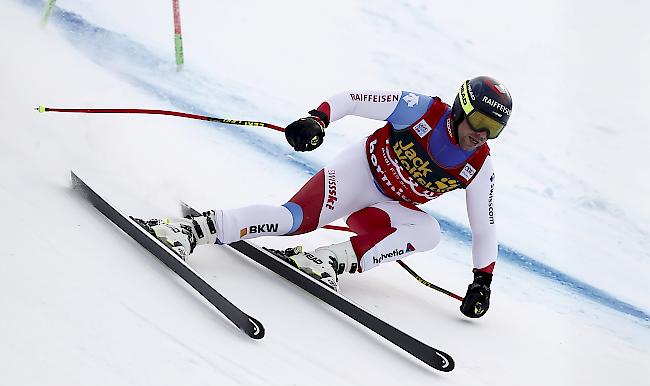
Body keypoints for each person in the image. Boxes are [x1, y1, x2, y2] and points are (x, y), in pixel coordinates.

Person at [139, 76, 512, 319]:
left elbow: (485, 229)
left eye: (494, 129)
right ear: (461, 109)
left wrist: (483, 281)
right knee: (293, 220)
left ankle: (329, 261)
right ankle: (192, 230)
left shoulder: (480, 165)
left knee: (429, 233)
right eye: (480, 122)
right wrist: (318, 119)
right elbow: (354, 98)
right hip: (358, 173)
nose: (483, 135)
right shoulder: (422, 110)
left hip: (385, 209)